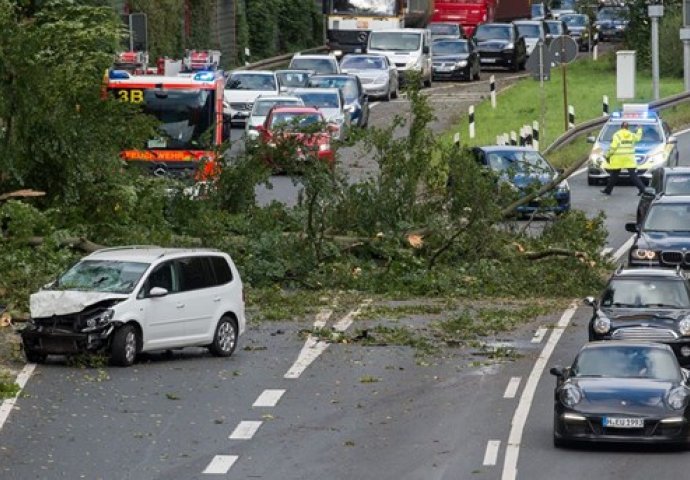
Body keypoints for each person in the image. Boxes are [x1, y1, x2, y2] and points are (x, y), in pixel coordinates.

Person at [601, 121, 645, 195]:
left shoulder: (617, 135)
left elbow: (613, 147)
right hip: (629, 158)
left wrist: (607, 155)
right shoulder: (631, 135)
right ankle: (643, 189)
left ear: (620, 127)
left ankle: (608, 190)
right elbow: (638, 138)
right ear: (628, 127)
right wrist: (640, 129)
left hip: (618, 158)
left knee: (614, 175)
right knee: (633, 175)